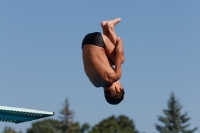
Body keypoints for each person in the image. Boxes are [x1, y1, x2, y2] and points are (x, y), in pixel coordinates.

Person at [82, 18, 125, 105]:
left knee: (121, 60)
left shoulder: (115, 76)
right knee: (110, 62)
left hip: (99, 40)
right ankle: (105, 27)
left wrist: (120, 41)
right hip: (85, 42)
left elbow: (119, 52)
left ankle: (110, 27)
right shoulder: (95, 84)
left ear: (117, 89)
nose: (120, 84)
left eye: (121, 85)